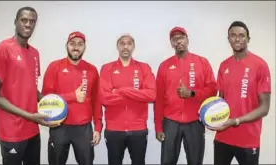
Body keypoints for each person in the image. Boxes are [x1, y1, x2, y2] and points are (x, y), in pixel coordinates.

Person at [0, 6, 57, 165]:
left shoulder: (35, 53)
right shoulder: (3, 49)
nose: (28, 24)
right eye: (24, 20)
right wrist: (29, 116)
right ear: (15, 22)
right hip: (12, 130)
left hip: (32, 128)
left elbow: (31, 89)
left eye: (32, 21)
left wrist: (51, 103)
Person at [154, 26, 217, 165]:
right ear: (171, 44)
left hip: (195, 121)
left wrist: (192, 93)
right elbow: (158, 98)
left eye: (181, 38)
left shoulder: (202, 62)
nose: (178, 42)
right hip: (170, 121)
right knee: (167, 161)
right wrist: (158, 126)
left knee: (195, 161)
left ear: (187, 40)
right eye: (175, 39)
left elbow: (213, 90)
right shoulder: (164, 66)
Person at [211, 21, 271, 165]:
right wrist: (211, 117)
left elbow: (264, 108)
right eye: (233, 35)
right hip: (223, 137)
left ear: (248, 39)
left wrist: (236, 121)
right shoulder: (224, 65)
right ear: (228, 39)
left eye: (241, 35)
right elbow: (221, 100)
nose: (237, 39)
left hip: (248, 140)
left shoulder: (260, 65)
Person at [42, 31, 103, 165]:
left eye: (80, 44)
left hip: (83, 128)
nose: (76, 47)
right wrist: (72, 96)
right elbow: (45, 100)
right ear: (67, 46)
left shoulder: (92, 70)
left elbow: (97, 100)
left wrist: (98, 127)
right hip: (59, 126)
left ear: (84, 47)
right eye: (72, 44)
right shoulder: (54, 67)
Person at [99, 34, 156, 165]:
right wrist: (136, 92)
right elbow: (104, 98)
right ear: (117, 47)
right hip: (114, 130)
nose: (126, 46)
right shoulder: (107, 68)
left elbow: (151, 95)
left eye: (129, 43)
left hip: (138, 130)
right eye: (122, 43)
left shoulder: (144, 68)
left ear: (133, 46)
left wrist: (119, 90)